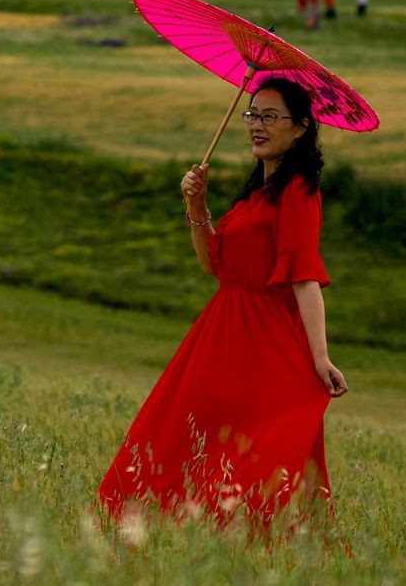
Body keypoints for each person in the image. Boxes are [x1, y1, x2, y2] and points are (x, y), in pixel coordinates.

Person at [97, 77, 347, 537]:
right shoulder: (257, 193)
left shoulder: (299, 192)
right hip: (222, 331)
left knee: (255, 452)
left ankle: (252, 543)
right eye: (252, 114)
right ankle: (175, 532)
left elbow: (305, 278)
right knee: (185, 435)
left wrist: (319, 356)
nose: (256, 124)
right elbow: (214, 263)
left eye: (270, 117)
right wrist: (198, 206)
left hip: (266, 341)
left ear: (300, 129)